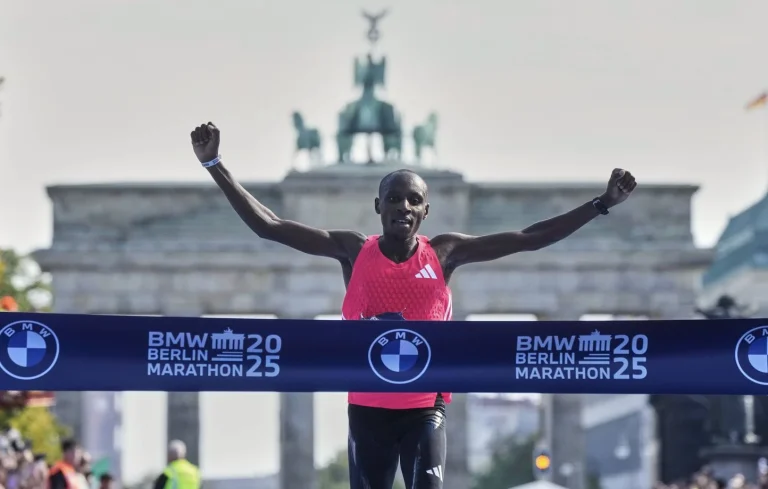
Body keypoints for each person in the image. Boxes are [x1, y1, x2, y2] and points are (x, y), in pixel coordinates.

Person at [190, 122, 637, 489]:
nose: (402, 205)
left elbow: (529, 238)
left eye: (413, 200)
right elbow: (271, 226)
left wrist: (600, 205)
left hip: (426, 407)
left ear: (426, 211)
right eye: (394, 198)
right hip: (368, 409)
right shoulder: (353, 250)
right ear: (378, 206)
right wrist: (214, 164)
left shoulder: (445, 253)